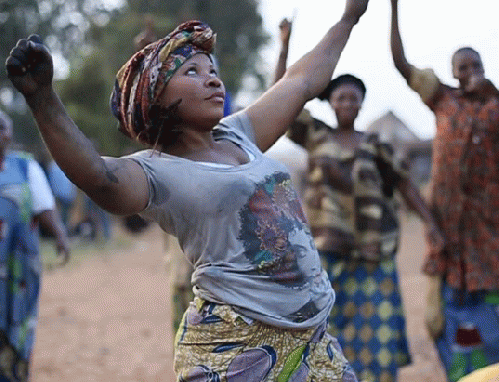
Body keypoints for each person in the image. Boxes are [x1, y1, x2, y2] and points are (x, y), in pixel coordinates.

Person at [6, 0, 369, 379]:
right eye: (191, 72)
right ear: (154, 96)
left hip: (314, 339)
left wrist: (349, 17)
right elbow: (97, 176)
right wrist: (43, 98)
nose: (212, 79)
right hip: (237, 347)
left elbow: (301, 81)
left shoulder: (240, 134)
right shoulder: (158, 172)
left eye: (212, 71)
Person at [274, 17, 443, 382]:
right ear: (331, 102)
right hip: (327, 253)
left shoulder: (376, 143)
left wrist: (431, 226)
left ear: (362, 102)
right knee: (326, 336)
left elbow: (405, 186)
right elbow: (280, 99)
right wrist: (285, 45)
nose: (347, 102)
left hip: (372, 253)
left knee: (377, 339)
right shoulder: (315, 134)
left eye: (354, 97)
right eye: (340, 97)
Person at [389, 0, 499, 380]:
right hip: (448, 239)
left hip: (489, 238)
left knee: (491, 324)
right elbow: (402, 64)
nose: (470, 73)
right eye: (462, 68)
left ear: (485, 71)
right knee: (446, 326)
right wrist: (393, 8)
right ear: (452, 74)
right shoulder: (442, 100)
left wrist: (493, 93)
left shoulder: (496, 107)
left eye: (476, 67)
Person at [0, 110, 70, 382]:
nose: (0, 133)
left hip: (19, 269)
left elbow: (44, 208)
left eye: (3, 127)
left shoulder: (26, 167)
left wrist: (61, 236)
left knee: (16, 330)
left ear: (10, 133)